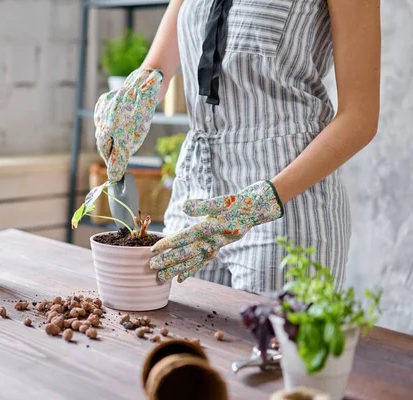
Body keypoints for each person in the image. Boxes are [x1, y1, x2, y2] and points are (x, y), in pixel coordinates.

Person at [94, 0, 380, 293]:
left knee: (269, 338)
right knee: (177, 335)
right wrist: (136, 95)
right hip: (193, 196)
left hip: (286, 204)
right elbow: (159, 65)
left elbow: (360, 118)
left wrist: (261, 203)